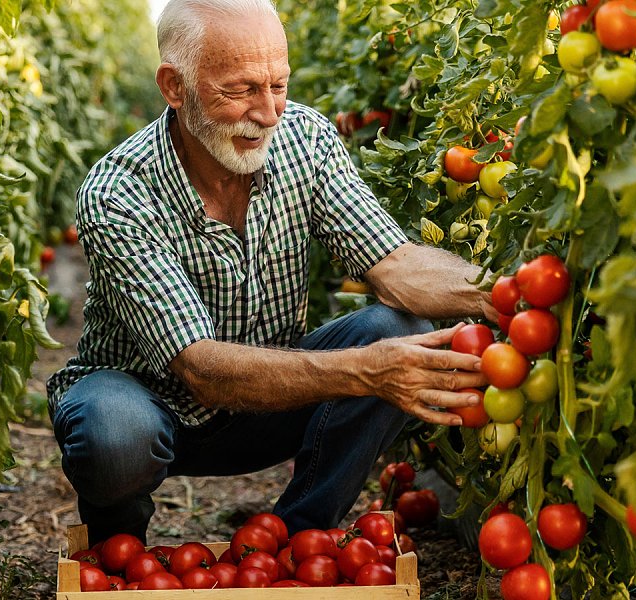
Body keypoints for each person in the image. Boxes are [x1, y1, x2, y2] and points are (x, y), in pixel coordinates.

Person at [46, 0, 496, 544]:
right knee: (114, 433)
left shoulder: (303, 139)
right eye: (240, 91)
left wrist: (499, 293)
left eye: (277, 85)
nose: (269, 112)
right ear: (174, 86)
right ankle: (116, 546)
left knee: (400, 331)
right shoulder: (119, 191)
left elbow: (393, 264)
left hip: (272, 398)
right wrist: (366, 371)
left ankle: (295, 541)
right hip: (152, 406)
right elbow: (202, 370)